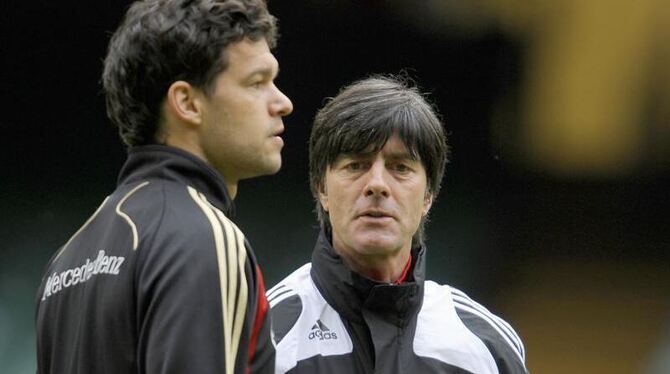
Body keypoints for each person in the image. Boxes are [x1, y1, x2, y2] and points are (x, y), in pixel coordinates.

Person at [35, 0, 293, 373]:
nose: (282, 102)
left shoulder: (65, 262)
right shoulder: (204, 239)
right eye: (257, 83)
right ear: (187, 103)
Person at [267, 76, 528, 373]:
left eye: (400, 167)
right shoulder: (266, 334)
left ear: (428, 195)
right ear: (321, 189)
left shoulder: (487, 345)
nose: (377, 185)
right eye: (356, 165)